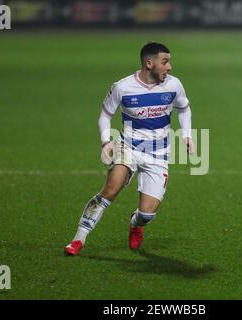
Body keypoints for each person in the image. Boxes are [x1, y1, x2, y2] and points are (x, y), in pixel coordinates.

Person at [65, 42, 194, 256]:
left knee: (147, 214)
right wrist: (106, 142)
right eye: (165, 61)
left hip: (158, 154)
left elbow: (184, 109)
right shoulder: (122, 87)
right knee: (111, 189)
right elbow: (105, 115)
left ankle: (136, 224)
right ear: (149, 63)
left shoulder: (174, 85)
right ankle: (78, 239)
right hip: (128, 146)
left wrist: (188, 135)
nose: (169, 67)